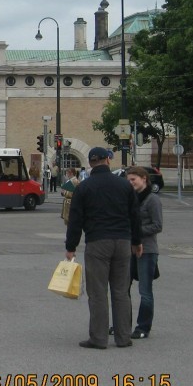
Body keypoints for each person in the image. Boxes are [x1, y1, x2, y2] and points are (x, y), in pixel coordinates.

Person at [65, 147, 142, 349]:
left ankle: (99, 338)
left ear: (90, 163)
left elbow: (75, 220)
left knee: (98, 292)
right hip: (123, 241)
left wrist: (70, 246)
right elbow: (135, 215)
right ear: (108, 160)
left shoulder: (84, 187)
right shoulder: (124, 186)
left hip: (97, 242)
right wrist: (137, 241)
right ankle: (123, 337)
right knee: (121, 291)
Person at [126, 166, 162, 340]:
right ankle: (122, 323)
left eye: (134, 179)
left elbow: (157, 225)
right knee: (123, 288)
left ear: (144, 179)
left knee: (145, 291)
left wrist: (135, 231)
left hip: (147, 250)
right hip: (128, 248)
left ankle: (143, 327)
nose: (130, 182)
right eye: (129, 180)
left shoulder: (152, 199)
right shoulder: (130, 198)